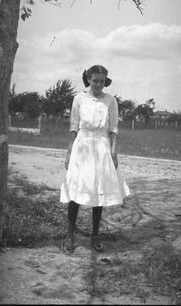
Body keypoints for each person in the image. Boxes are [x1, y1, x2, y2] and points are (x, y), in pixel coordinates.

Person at [60, 65, 130, 253]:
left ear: (105, 81)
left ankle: (95, 235)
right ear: (88, 80)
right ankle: (69, 235)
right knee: (75, 192)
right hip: (81, 147)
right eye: (94, 80)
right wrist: (69, 152)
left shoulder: (111, 101)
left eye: (101, 81)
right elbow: (74, 127)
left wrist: (114, 153)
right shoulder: (79, 99)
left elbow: (113, 129)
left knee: (98, 193)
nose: (98, 84)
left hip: (101, 147)